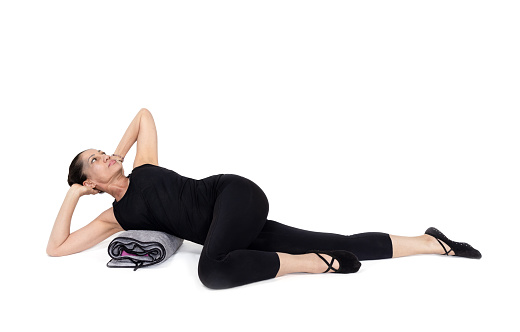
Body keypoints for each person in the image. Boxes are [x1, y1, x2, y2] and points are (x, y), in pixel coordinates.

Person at [47, 108, 482, 289]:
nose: (104, 156)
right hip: (230, 231)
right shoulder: (114, 218)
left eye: (101, 151)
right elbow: (57, 249)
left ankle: (315, 264)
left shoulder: (143, 165)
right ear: (91, 183)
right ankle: (431, 242)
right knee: (338, 237)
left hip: (233, 195)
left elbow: (143, 114)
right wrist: (72, 195)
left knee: (211, 273)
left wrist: (119, 153)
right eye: (96, 161)